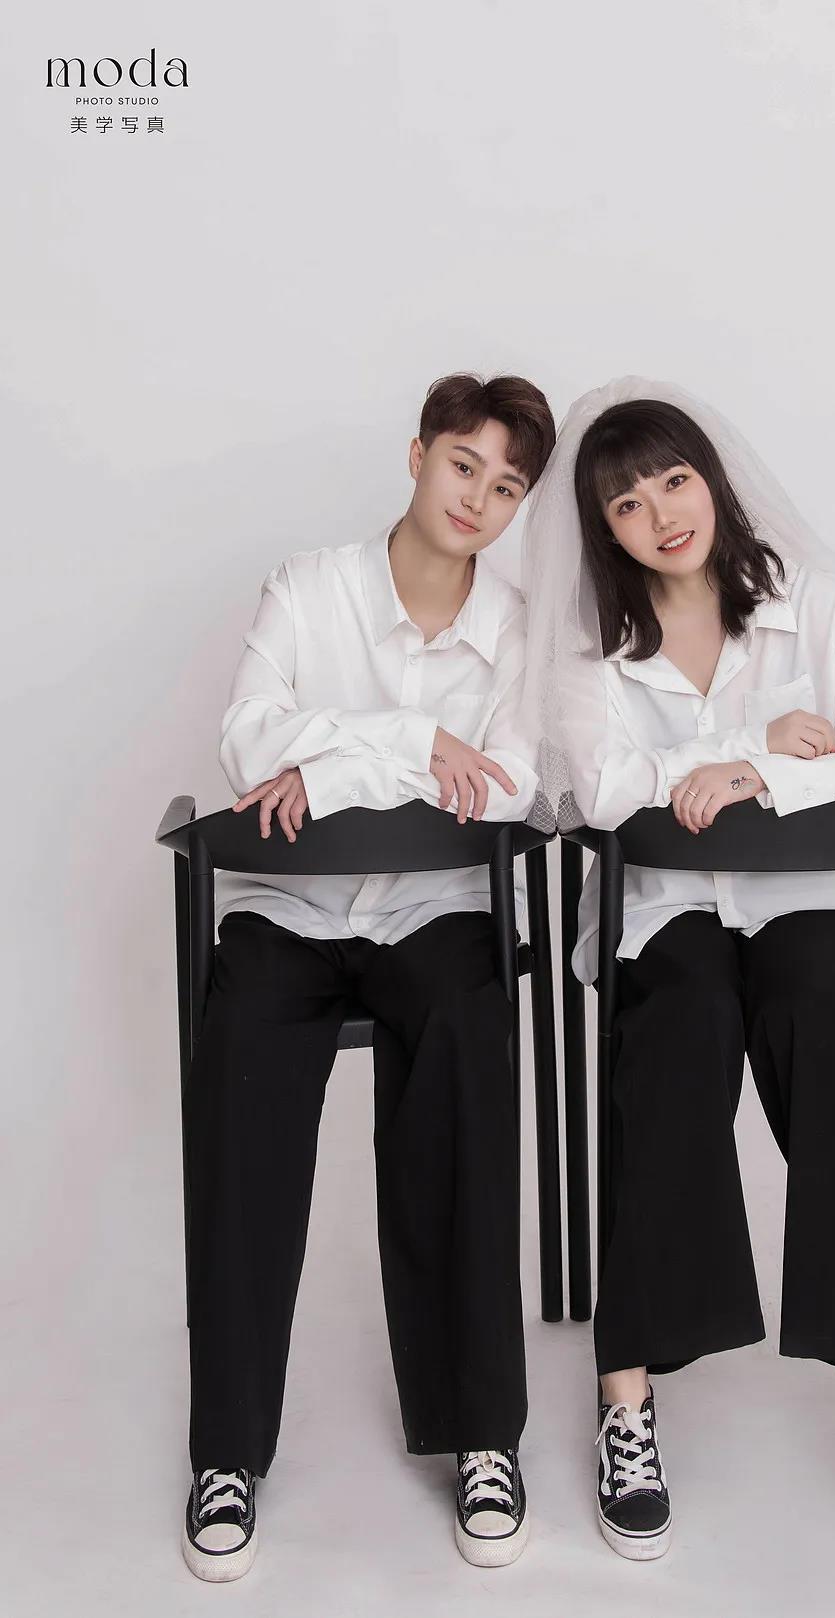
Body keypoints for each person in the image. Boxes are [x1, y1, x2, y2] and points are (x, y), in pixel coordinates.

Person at [519, 376, 835, 1562]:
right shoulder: (592, 653)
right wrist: (751, 740)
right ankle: (627, 1394)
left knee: (826, 1020)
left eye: (673, 481)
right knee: (682, 1027)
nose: (660, 514)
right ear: (603, 529)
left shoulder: (815, 607)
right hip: (665, 911)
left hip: (808, 898)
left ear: (710, 479)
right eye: (626, 503)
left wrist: (765, 779)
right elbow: (606, 790)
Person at [181, 373, 555, 1580]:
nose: (477, 499)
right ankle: (227, 1450)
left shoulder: (515, 630)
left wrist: (332, 762)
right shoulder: (309, 587)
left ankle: (482, 1432)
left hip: (435, 910)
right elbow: (248, 741)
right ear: (417, 455)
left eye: (506, 487)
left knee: (463, 1058)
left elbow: (506, 784)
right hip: (290, 908)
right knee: (242, 1082)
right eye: (463, 465)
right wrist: (411, 746)